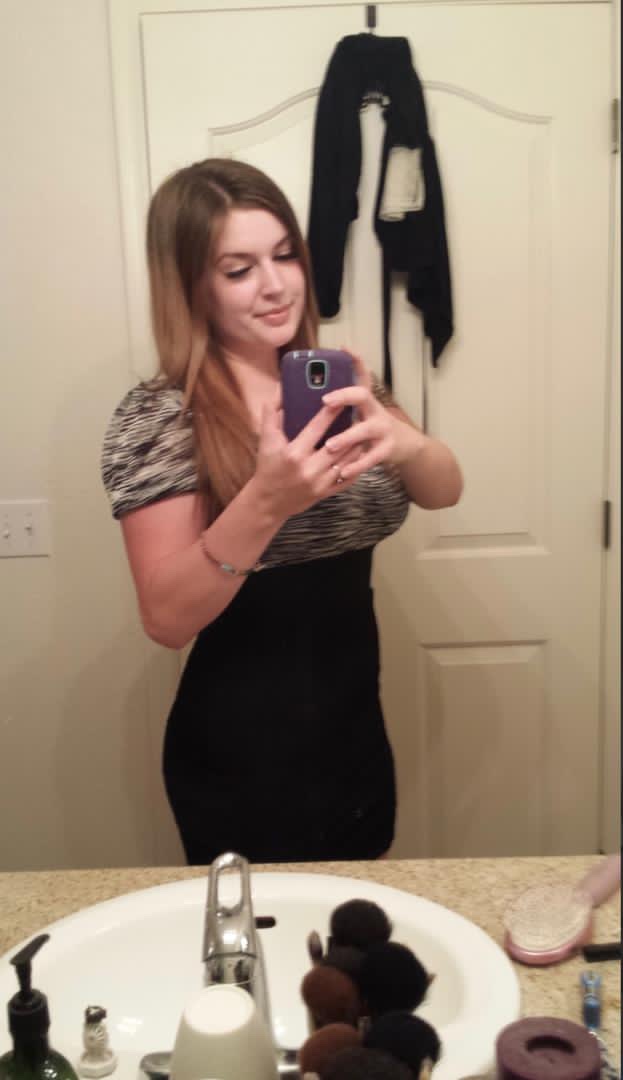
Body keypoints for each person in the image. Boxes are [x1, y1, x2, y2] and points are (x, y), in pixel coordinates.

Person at [101, 158, 463, 865]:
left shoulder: (333, 383)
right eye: (238, 269)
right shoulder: (162, 418)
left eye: (285, 255)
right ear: (190, 285)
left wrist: (408, 443)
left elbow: (442, 489)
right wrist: (266, 502)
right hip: (240, 755)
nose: (275, 285)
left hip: (355, 734)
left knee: (353, 921)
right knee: (254, 931)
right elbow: (166, 621)